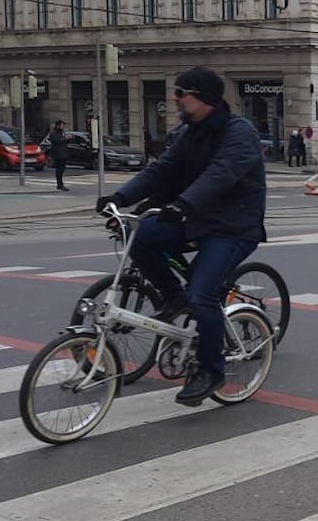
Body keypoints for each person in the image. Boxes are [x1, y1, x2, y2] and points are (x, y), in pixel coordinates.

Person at [96, 66, 267, 406]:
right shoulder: (191, 133)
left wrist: (184, 204)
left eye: (180, 93)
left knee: (203, 294)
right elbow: (162, 170)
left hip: (234, 227)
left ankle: (211, 369)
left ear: (203, 98)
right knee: (141, 235)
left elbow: (222, 175)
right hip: (198, 219)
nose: (175, 99)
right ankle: (174, 297)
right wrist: (121, 197)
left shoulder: (239, 133)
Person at [42, 120, 70, 191]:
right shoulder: (53, 133)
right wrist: (65, 139)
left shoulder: (62, 132)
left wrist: (68, 139)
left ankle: (60, 184)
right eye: (61, 125)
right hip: (58, 153)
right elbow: (57, 141)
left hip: (63, 153)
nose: (62, 127)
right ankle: (59, 184)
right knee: (59, 169)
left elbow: (63, 141)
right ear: (58, 125)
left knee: (62, 169)